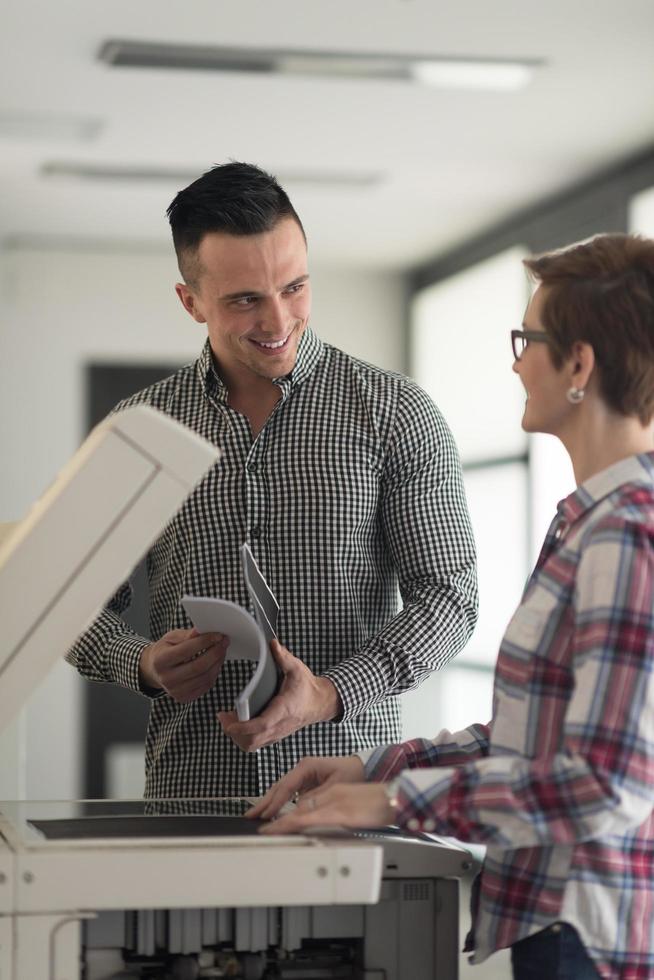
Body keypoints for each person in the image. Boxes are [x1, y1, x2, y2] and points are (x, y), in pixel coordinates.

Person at [250, 233, 654, 980]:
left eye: (527, 338)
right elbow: (536, 736)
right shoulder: (588, 522)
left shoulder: (628, 534)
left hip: (589, 936)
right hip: (557, 924)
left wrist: (394, 803)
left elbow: (606, 782)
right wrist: (377, 767)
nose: (514, 359)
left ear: (579, 364)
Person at [66, 162, 478, 799]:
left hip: (348, 797)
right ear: (191, 301)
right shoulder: (139, 429)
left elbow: (449, 599)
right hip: (188, 794)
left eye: (295, 287)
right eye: (244, 300)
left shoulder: (397, 414)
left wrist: (333, 691)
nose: (278, 318)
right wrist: (141, 663)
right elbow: (70, 602)